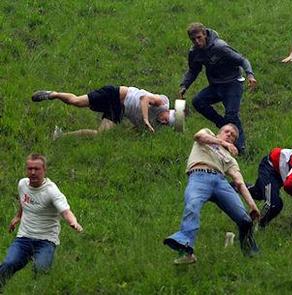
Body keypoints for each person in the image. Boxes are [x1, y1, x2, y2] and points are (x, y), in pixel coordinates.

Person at [164, 124, 260, 264]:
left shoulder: (230, 158)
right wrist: (222, 143)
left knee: (245, 219)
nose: (229, 135)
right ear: (219, 133)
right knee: (192, 206)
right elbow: (198, 136)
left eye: (233, 135)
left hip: (221, 182)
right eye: (227, 131)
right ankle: (186, 249)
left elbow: (239, 182)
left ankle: (251, 255)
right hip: (199, 176)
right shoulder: (207, 134)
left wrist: (252, 205)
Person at [0, 154, 83, 290]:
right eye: (30, 168)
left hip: (46, 240)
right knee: (9, 263)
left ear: (44, 170)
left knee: (41, 270)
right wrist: (18, 217)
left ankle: (35, 291)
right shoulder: (22, 184)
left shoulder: (51, 191)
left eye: (37, 169)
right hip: (24, 238)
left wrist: (74, 222)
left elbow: (66, 211)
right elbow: (24, 201)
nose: (33, 172)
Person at [178, 22, 257, 153]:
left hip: (232, 83)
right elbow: (193, 70)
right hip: (216, 85)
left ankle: (241, 149)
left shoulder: (220, 46)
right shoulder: (194, 52)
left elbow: (242, 60)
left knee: (232, 115)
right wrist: (184, 85)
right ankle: (222, 124)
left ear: (204, 34)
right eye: (193, 39)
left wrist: (250, 74)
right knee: (198, 101)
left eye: (199, 37)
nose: (197, 42)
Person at [31, 86, 175, 140]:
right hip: (116, 94)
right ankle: (53, 94)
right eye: (166, 119)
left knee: (100, 135)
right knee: (77, 102)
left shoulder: (155, 126)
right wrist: (145, 119)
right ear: (169, 112)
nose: (163, 122)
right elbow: (144, 99)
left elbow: (134, 131)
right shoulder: (162, 103)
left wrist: (139, 133)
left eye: (166, 124)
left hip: (119, 110)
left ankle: (61, 136)